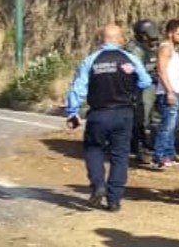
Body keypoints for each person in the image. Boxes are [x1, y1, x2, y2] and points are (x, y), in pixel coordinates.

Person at [64, 23, 153, 211]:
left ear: (101, 40)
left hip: (99, 113)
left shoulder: (91, 60)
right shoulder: (130, 58)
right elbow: (145, 80)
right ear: (120, 39)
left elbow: (78, 88)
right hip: (124, 113)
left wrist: (72, 111)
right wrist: (131, 92)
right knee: (120, 155)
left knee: (93, 149)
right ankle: (114, 200)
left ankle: (98, 185)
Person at [150, 19, 179, 170]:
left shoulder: (175, 50)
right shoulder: (165, 48)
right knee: (167, 125)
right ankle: (158, 157)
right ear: (170, 33)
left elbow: (175, 74)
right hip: (167, 92)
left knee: (173, 125)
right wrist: (169, 91)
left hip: (176, 91)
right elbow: (161, 71)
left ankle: (169, 154)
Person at [128, 19, 161, 164]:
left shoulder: (155, 46)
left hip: (157, 85)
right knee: (142, 118)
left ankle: (153, 147)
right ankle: (139, 148)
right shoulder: (134, 48)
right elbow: (134, 68)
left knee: (156, 119)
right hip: (141, 87)